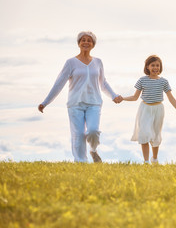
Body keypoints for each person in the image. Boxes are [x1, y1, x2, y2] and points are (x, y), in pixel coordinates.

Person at [38, 31, 123, 163]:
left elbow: (103, 83)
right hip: (75, 104)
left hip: (94, 103)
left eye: (89, 40)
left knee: (93, 131)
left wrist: (114, 96)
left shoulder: (98, 62)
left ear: (93, 44)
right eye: (83, 40)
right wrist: (46, 102)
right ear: (78, 43)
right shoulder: (71, 62)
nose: (86, 42)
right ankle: (81, 163)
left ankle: (93, 150)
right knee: (78, 135)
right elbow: (59, 83)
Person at [122, 55, 176, 164]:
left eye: (157, 65)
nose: (155, 68)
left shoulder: (163, 82)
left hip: (158, 109)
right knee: (144, 134)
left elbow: (171, 98)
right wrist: (122, 98)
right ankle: (146, 161)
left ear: (160, 67)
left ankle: (154, 158)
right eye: (152, 65)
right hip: (145, 109)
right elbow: (134, 97)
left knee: (156, 135)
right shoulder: (142, 80)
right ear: (147, 67)